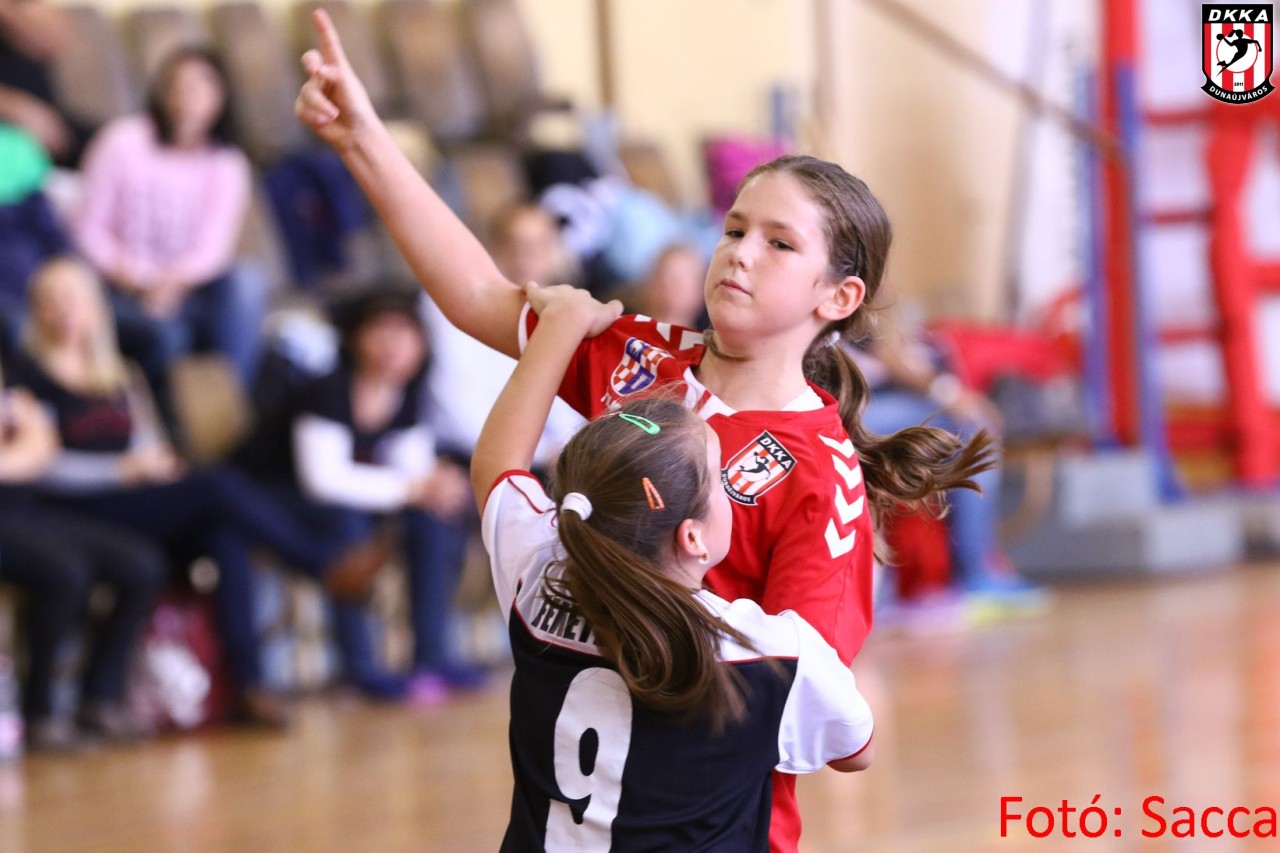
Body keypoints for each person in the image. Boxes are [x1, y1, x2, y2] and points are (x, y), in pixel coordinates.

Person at [296, 13, 991, 847]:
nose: (740, 252)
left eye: (779, 243)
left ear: (837, 297)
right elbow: (476, 293)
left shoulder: (821, 474)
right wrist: (362, 139)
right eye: (734, 228)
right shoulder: (639, 353)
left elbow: (815, 698)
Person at [473, 281, 874, 851]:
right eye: (721, 482)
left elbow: (497, 463)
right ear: (693, 537)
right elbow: (856, 750)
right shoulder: (770, 652)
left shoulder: (537, 572)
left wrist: (559, 325)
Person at [11, 257, 385, 727]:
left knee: (225, 534)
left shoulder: (121, 375)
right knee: (216, 486)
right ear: (37, 311)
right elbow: (40, 465)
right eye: (52, 301)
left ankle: (249, 687)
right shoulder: (27, 379)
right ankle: (322, 564)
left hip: (131, 501)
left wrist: (155, 463)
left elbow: (143, 443)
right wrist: (118, 470)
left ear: (96, 307)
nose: (65, 310)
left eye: (74, 298)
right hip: (70, 507)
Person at [236, 289, 480, 702]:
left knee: (430, 519)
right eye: (382, 332)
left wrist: (433, 487)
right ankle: (359, 666)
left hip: (346, 500)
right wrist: (414, 488)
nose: (394, 346)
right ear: (354, 337)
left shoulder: (405, 394)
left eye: (406, 334)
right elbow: (323, 480)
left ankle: (432, 656)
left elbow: (411, 470)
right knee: (346, 522)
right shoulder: (328, 390)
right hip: (271, 497)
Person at [71, 47, 265, 426]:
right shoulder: (122, 141)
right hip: (117, 286)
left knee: (248, 283)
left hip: (185, 287)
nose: (188, 96)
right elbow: (87, 230)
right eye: (178, 85)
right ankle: (172, 428)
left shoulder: (227, 163)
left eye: (202, 86)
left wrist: (171, 283)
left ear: (222, 97)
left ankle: (227, 416)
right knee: (167, 335)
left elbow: (213, 248)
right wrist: (139, 280)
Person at [0, 355, 166, 749]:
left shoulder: (14, 387)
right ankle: (39, 711)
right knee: (65, 572)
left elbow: (45, 449)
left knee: (141, 564)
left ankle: (100, 699)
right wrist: (25, 449)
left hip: (30, 510)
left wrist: (26, 448)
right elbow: (33, 449)